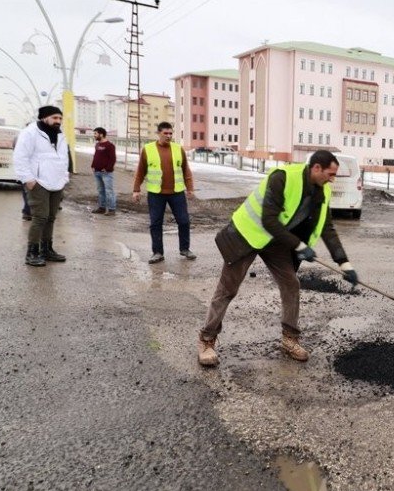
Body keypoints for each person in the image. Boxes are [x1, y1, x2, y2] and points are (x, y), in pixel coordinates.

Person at [197, 150, 358, 366]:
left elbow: (327, 228)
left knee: (291, 283)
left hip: (275, 240)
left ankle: (289, 338)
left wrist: (344, 263)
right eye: (330, 174)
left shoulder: (322, 191)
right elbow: (268, 220)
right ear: (317, 168)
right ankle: (206, 340)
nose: (333, 179)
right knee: (228, 288)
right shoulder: (283, 177)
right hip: (249, 234)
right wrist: (299, 245)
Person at [13, 106, 70, 267]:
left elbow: (64, 158)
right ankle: (32, 252)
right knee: (40, 217)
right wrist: (28, 179)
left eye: (60, 118)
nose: (58, 121)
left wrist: (64, 176)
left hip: (57, 181)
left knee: (51, 217)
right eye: (54, 118)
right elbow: (20, 157)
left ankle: (47, 250)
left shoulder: (60, 135)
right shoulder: (30, 133)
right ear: (44, 118)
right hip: (38, 182)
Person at [132, 122, 196, 263]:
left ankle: (185, 249)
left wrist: (190, 188)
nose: (168, 136)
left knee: (184, 221)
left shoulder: (178, 149)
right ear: (158, 133)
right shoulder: (148, 149)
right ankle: (158, 253)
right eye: (165, 133)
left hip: (176, 192)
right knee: (155, 223)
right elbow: (140, 171)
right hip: (156, 193)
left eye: (170, 133)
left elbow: (186, 170)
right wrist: (136, 190)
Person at [91, 127, 117, 216]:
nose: (94, 135)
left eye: (95, 134)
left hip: (106, 173)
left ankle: (111, 209)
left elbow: (112, 159)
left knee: (109, 191)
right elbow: (96, 156)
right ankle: (101, 208)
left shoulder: (110, 145)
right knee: (100, 191)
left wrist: (107, 169)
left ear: (101, 134)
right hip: (97, 172)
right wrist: (93, 166)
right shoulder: (97, 145)